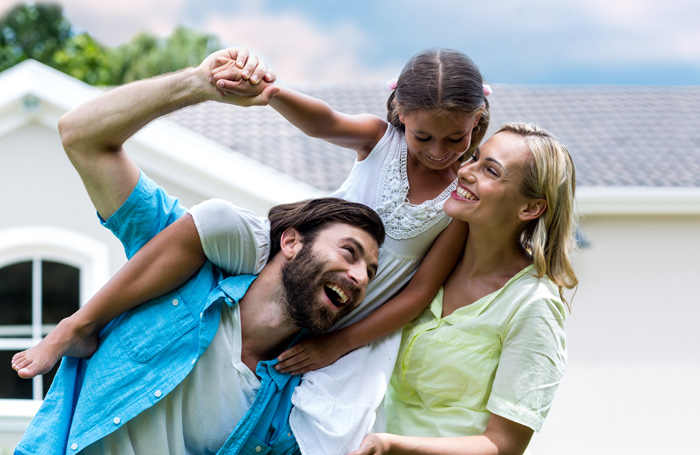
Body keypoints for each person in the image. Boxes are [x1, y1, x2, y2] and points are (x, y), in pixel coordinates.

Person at [13, 47, 491, 454]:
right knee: (216, 217)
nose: (438, 152)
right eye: (348, 251)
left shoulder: (294, 406)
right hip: (267, 244)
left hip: (343, 338)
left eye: (456, 139)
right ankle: (78, 325)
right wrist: (215, 85)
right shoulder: (185, 263)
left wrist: (338, 344)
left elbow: (418, 293)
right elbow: (82, 136)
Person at [345, 122, 578, 455]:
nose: (465, 171)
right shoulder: (423, 257)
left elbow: (503, 445)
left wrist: (390, 444)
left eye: (491, 171)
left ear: (530, 208)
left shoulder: (532, 305)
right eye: (473, 158)